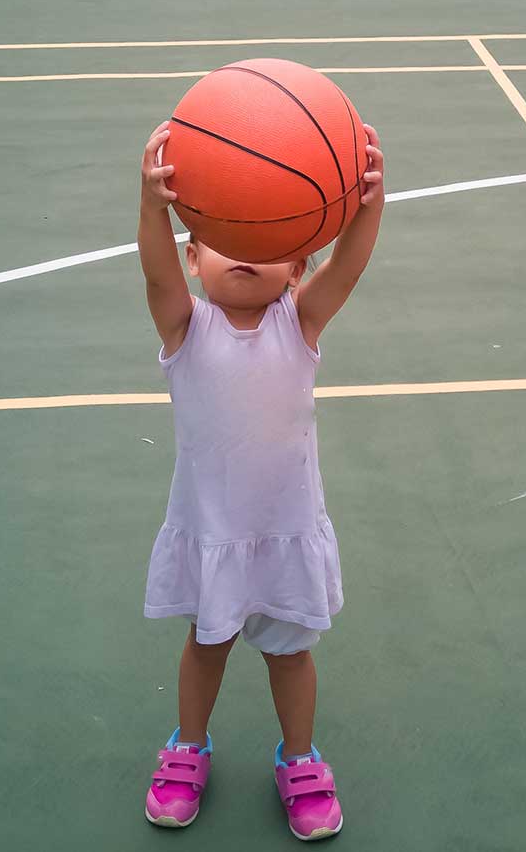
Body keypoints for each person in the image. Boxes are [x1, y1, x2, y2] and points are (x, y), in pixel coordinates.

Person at [135, 119, 384, 841]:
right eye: (225, 243)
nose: (244, 257)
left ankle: (299, 757)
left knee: (292, 654)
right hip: (213, 530)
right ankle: (188, 747)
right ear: (193, 256)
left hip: (283, 534)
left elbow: (351, 268)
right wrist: (150, 202)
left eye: (266, 248)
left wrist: (369, 202)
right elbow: (152, 271)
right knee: (205, 646)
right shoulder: (185, 329)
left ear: (298, 268)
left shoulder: (299, 326)